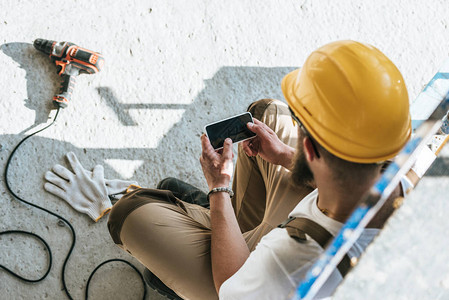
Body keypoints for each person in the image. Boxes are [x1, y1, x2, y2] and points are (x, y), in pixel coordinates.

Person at [106, 40, 411, 299]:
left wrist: (219, 187)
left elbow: (230, 286)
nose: (296, 127)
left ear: (310, 149)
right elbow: (345, 170)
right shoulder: (415, 180)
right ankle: (226, 226)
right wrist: (284, 155)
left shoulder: (290, 261)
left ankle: (209, 231)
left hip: (247, 277)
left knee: (128, 213)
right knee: (264, 113)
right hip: (322, 216)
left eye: (299, 125)